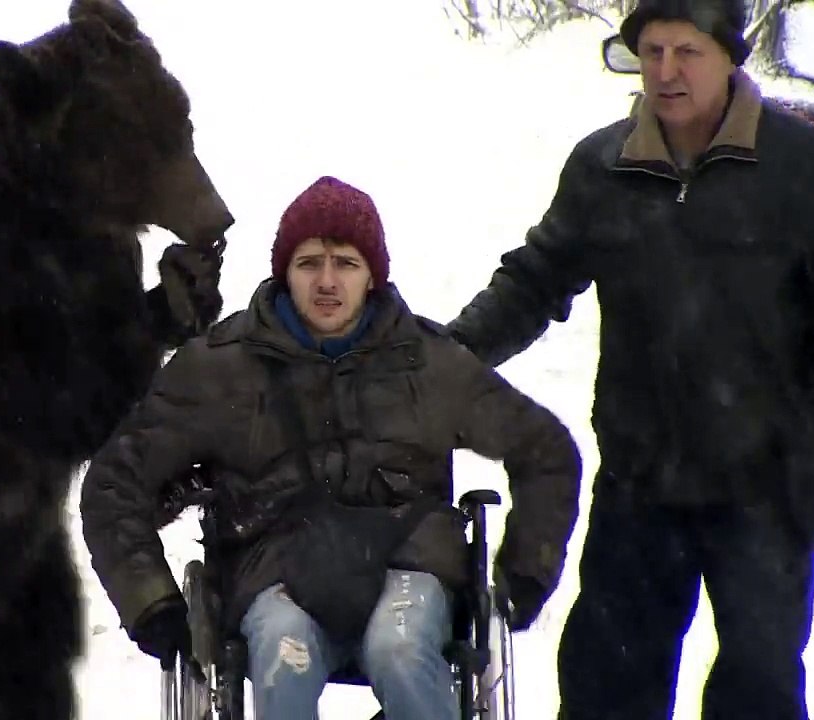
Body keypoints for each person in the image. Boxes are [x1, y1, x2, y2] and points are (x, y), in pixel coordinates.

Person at [439, 0, 814, 716]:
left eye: (687, 53)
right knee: (607, 688)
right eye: (652, 51)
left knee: (757, 690)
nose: (666, 72)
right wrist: (449, 355)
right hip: (641, 485)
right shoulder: (604, 167)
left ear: (729, 56)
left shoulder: (804, 171)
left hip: (765, 487)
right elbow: (538, 279)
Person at [80, 175, 583, 720]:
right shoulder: (222, 368)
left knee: (402, 653)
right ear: (284, 271)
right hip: (272, 568)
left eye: (345, 263)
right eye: (308, 263)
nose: (326, 281)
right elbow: (116, 482)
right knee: (284, 660)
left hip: (409, 561)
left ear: (372, 275)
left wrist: (524, 574)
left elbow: (546, 450)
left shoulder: (428, 362)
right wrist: (151, 603)